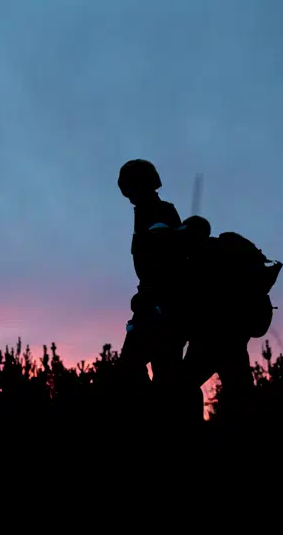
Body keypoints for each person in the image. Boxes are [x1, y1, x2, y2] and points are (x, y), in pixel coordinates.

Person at [180, 219, 282, 425]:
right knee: (240, 391)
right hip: (235, 335)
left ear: (194, 233)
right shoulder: (226, 252)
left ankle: (191, 436)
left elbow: (195, 298)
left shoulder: (201, 256)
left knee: (181, 386)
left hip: (209, 338)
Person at [115, 159, 190, 422]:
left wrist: (153, 301)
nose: (129, 196)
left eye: (130, 189)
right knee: (163, 375)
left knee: (137, 368)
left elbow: (164, 264)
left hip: (163, 307)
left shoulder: (157, 211)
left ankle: (161, 425)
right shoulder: (149, 211)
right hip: (158, 305)